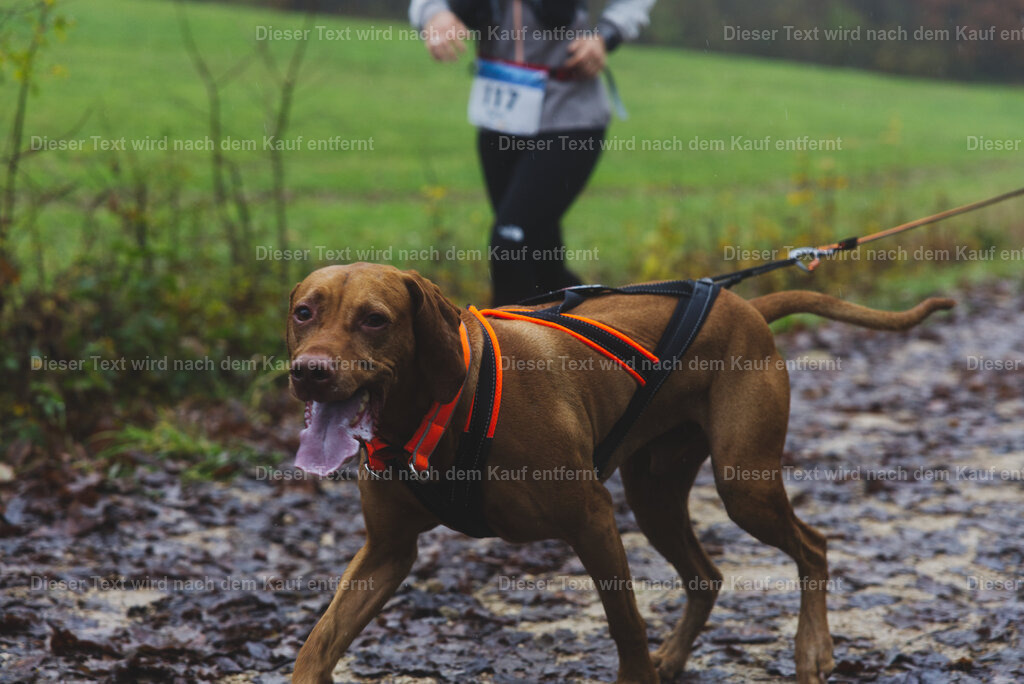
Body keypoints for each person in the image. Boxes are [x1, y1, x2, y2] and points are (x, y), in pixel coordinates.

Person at [410, 0, 656, 305]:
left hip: (569, 117)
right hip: (498, 121)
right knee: (542, 265)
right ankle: (608, 323)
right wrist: (435, 14)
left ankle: (507, 339)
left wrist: (607, 34)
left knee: (510, 244)